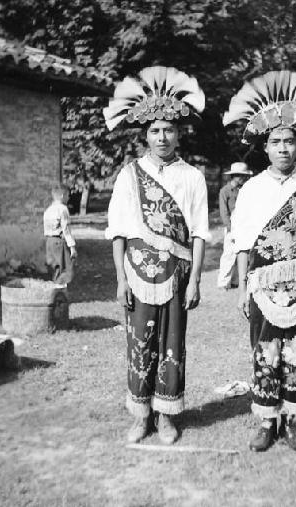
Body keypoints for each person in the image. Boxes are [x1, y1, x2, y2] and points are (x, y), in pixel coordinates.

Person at [223, 70, 296, 452]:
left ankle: (289, 423)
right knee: (266, 353)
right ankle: (266, 423)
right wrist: (242, 287)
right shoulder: (251, 189)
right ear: (265, 147)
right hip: (261, 288)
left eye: (289, 141)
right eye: (276, 142)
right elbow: (241, 243)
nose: (284, 148)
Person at [103, 66, 209, 445]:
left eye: (168, 130)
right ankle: (141, 415)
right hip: (136, 273)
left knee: (172, 343)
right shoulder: (129, 175)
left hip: (178, 276)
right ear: (144, 136)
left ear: (178, 133)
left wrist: (195, 278)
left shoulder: (192, 178)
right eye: (154, 131)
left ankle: (166, 416)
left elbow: (199, 233)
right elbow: (118, 231)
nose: (162, 137)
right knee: (139, 343)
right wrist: (119, 278)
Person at [217, 162, 253, 289]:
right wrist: (230, 228)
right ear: (234, 176)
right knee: (229, 253)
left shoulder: (244, 190)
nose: (243, 179)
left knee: (242, 252)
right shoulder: (225, 191)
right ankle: (223, 282)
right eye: (240, 176)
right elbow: (224, 212)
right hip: (232, 225)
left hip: (243, 224)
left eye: (244, 176)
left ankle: (235, 281)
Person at [43, 183, 77, 284]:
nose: (68, 197)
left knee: (55, 267)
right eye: (68, 195)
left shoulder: (48, 210)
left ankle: (54, 289)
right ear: (62, 196)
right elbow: (65, 229)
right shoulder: (62, 209)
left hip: (49, 241)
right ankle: (59, 290)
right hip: (59, 241)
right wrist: (72, 246)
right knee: (66, 268)